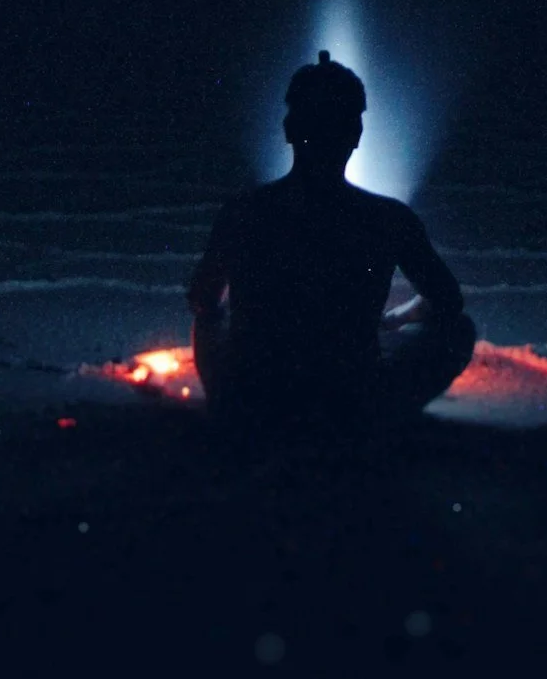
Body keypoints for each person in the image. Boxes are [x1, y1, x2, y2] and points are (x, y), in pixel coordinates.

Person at [188, 51, 475, 431]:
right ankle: (381, 417)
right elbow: (448, 300)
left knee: (208, 321)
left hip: (253, 394)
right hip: (352, 396)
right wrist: (394, 318)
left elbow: (201, 298)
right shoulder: (390, 218)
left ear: (289, 129)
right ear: (355, 136)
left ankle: (234, 407)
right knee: (458, 329)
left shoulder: (242, 210)